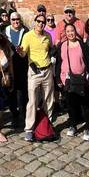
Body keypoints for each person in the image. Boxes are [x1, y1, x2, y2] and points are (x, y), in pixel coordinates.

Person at [18, 12, 54, 142]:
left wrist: (52, 58)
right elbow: (23, 54)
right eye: (39, 21)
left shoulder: (48, 36)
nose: (41, 24)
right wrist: (20, 52)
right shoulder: (28, 36)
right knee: (32, 101)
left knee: (48, 99)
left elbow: (51, 49)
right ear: (35, 22)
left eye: (43, 22)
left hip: (47, 70)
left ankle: (47, 124)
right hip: (34, 72)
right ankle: (29, 129)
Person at [56, 23, 89, 139]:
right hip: (68, 80)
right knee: (71, 105)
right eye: (67, 31)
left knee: (86, 105)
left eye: (72, 31)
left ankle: (88, 128)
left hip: (82, 80)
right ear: (65, 33)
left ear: (75, 32)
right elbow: (59, 63)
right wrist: (58, 78)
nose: (70, 33)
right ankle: (73, 125)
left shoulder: (83, 46)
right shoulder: (62, 46)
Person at [6, 12, 28, 128]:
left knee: (22, 93)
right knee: (11, 92)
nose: (16, 21)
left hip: (22, 66)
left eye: (17, 19)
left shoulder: (26, 31)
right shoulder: (5, 32)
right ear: (10, 20)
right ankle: (14, 115)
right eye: (13, 19)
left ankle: (23, 116)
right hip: (9, 66)